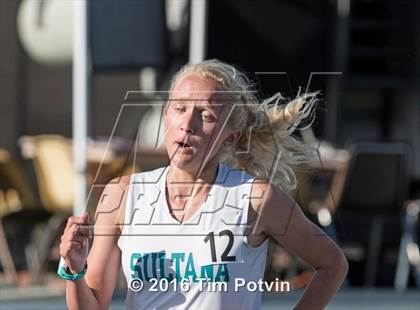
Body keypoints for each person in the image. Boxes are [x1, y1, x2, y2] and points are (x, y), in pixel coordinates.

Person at [59, 59, 348, 310]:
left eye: (206, 115)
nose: (188, 124)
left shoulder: (254, 199)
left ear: (230, 137)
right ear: (166, 116)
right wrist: (74, 268)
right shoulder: (122, 195)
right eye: (180, 108)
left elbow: (333, 263)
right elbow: (93, 304)